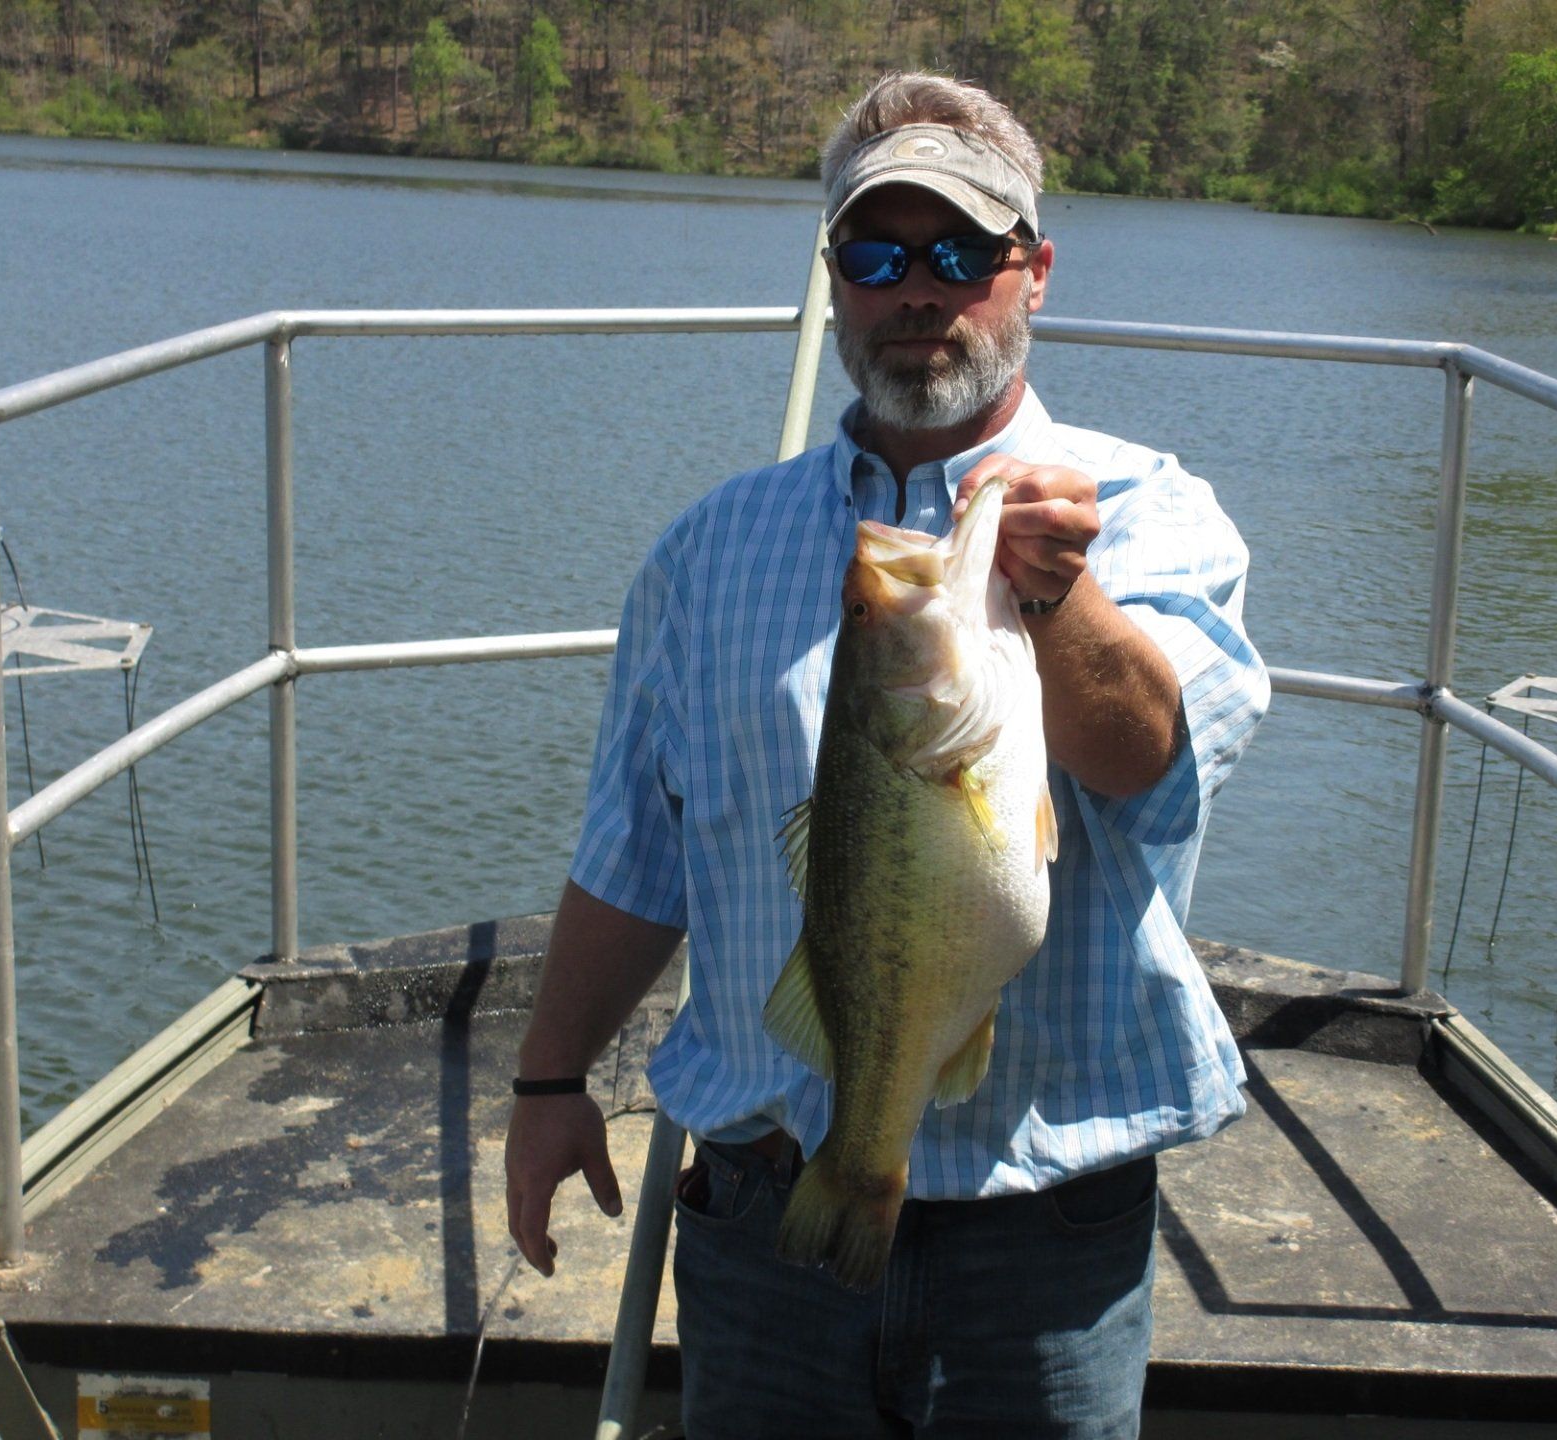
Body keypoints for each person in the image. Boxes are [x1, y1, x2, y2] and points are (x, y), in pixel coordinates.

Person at [505, 70, 1269, 1439]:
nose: (920, 289)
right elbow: (638, 849)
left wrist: (1060, 600)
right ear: (835, 280)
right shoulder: (707, 551)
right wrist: (553, 1078)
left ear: (1033, 271)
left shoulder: (1149, 512)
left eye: (963, 253)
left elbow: (1148, 761)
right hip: (764, 1208)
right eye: (877, 253)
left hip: (1046, 1230)